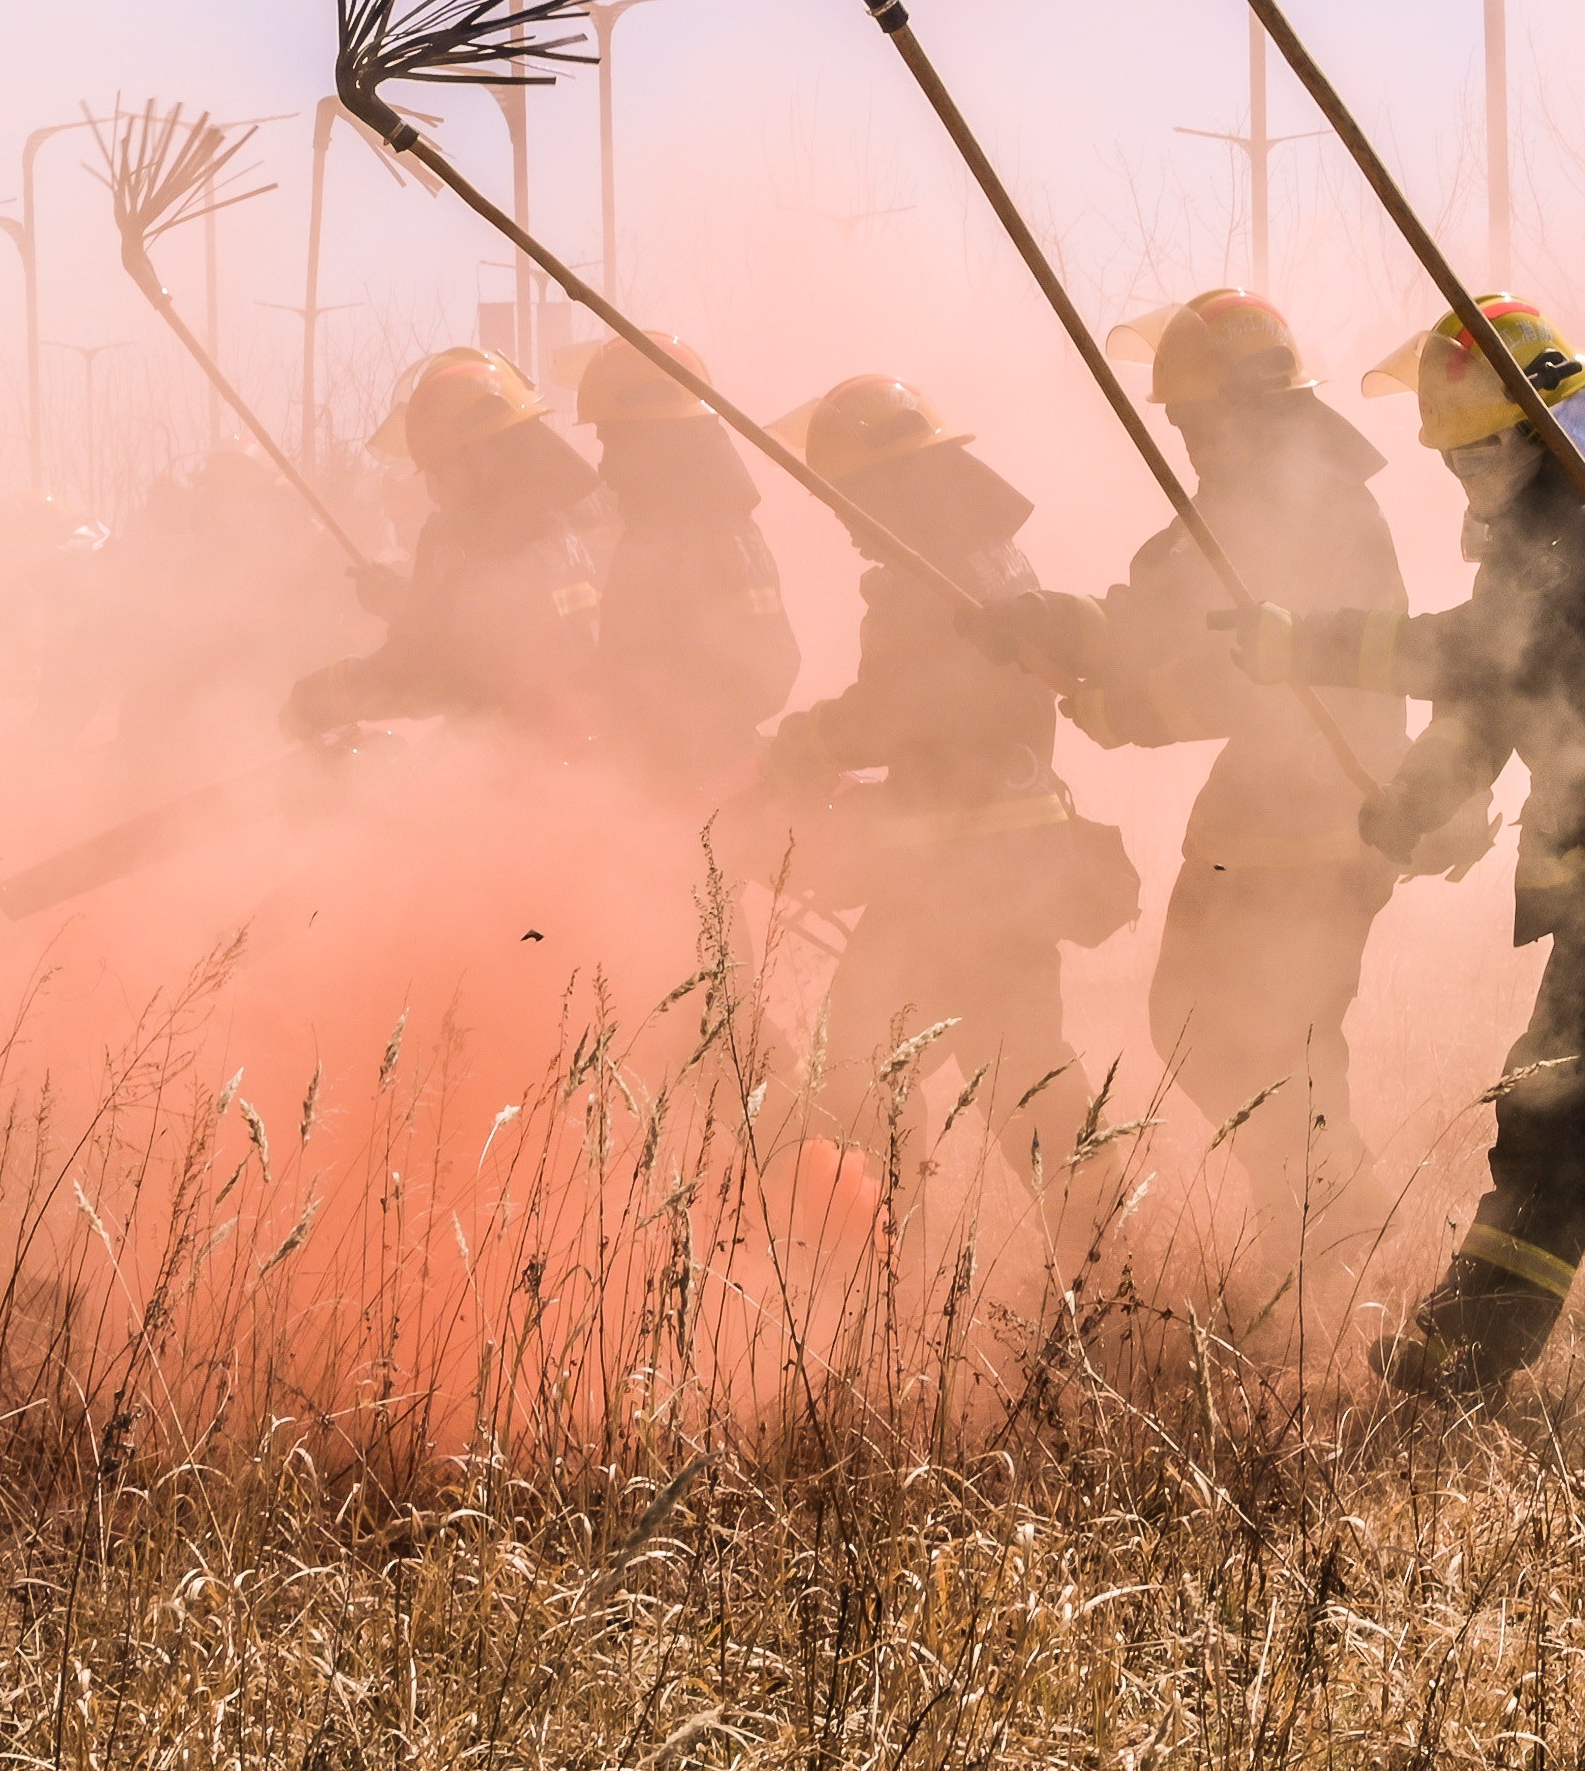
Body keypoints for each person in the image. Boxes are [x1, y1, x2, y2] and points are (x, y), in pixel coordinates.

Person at [1241, 299, 1585, 1392]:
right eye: (1450, 457)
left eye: (1486, 447)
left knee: (1553, 1104)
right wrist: (1413, 802)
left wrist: (1306, 644)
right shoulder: (1541, 540)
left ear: (1546, 437)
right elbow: (1507, 707)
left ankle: (1469, 1348)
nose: (1466, 474)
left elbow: (1482, 658)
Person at [969, 290, 1414, 1224]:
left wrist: (1124, 706)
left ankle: (1342, 1229)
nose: (1186, 441)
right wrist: (1059, 624)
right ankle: (1320, 1226)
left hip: (1320, 825)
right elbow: (1156, 615)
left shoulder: (1317, 513)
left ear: (1247, 406)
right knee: (1205, 1025)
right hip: (1257, 821)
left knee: (1266, 1043)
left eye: (1195, 420)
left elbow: (1247, 671)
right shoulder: (1245, 502)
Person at [750, 374, 1139, 1159]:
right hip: (1022, 858)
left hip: (947, 870)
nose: (849, 528)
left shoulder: (923, 574)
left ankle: (875, 1270)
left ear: (888, 488)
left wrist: (806, 740)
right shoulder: (988, 554)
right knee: (1025, 1072)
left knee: (859, 1074)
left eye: (850, 501)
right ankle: (1108, 1263)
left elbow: (896, 711)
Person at [283, 347, 599, 739]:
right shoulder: (553, 533)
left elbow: (435, 667)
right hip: (565, 750)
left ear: (484, 459)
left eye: (439, 470)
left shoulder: (518, 551)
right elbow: (459, 626)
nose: (435, 492)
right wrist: (399, 599)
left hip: (528, 763)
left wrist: (326, 693)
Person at [575, 335, 801, 790]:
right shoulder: (696, 528)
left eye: (613, 441)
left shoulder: (692, 536)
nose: (605, 466)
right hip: (686, 764)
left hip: (688, 778)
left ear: (652, 443)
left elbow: (762, 667)